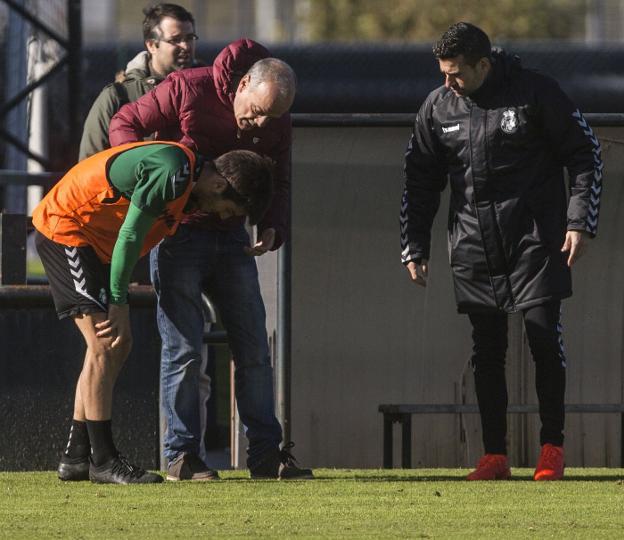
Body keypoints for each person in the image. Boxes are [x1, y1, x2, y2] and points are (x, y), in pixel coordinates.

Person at [400, 22, 602, 481]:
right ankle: (494, 456)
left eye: (456, 74)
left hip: (535, 238)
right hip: (473, 243)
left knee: (543, 338)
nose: (447, 83)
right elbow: (419, 178)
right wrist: (413, 245)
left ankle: (552, 448)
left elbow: (584, 154)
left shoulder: (536, 92)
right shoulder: (437, 106)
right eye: (443, 74)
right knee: (486, 351)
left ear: (484, 65)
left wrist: (578, 223)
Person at [109, 39, 313, 481]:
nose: (259, 123)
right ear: (243, 85)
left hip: (232, 238)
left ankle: (265, 455)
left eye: (270, 118)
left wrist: (273, 224)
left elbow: (280, 180)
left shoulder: (277, 121)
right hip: (179, 235)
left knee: (255, 349)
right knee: (184, 349)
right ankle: (182, 456)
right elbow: (126, 120)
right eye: (257, 111)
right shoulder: (188, 88)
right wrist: (140, 180)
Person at [32, 141, 275, 484]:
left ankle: (75, 457)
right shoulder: (173, 172)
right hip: (67, 230)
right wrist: (119, 303)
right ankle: (102, 459)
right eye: (228, 210)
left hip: (94, 244)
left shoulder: (184, 180)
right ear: (219, 184)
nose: (222, 217)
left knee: (118, 344)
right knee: (105, 344)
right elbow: (130, 235)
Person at [79, 3, 198, 160]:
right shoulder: (118, 97)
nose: (185, 46)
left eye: (190, 38)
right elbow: (90, 164)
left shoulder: (212, 87)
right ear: (151, 45)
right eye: (175, 40)